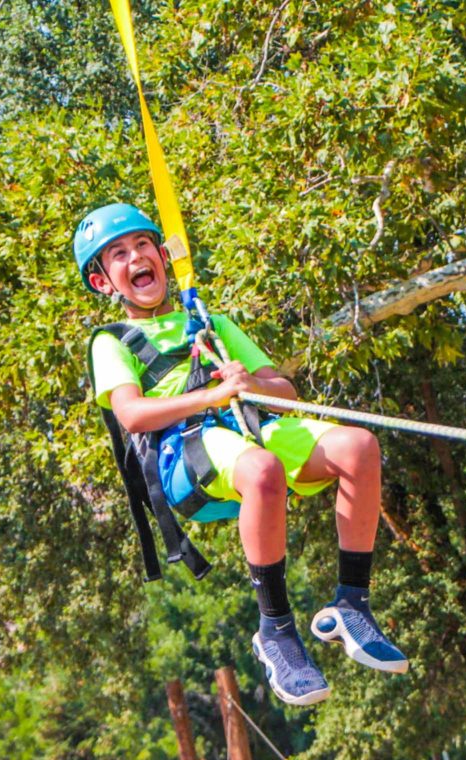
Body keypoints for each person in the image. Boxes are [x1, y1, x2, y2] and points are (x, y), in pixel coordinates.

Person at [75, 203, 408, 705]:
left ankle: (352, 603)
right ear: (104, 282)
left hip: (249, 426)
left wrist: (249, 383)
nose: (136, 257)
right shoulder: (112, 342)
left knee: (359, 446)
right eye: (119, 254)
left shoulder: (212, 323)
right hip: (185, 452)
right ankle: (276, 629)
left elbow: (285, 392)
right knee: (263, 470)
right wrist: (212, 396)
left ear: (163, 256)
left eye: (143, 245)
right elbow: (133, 415)